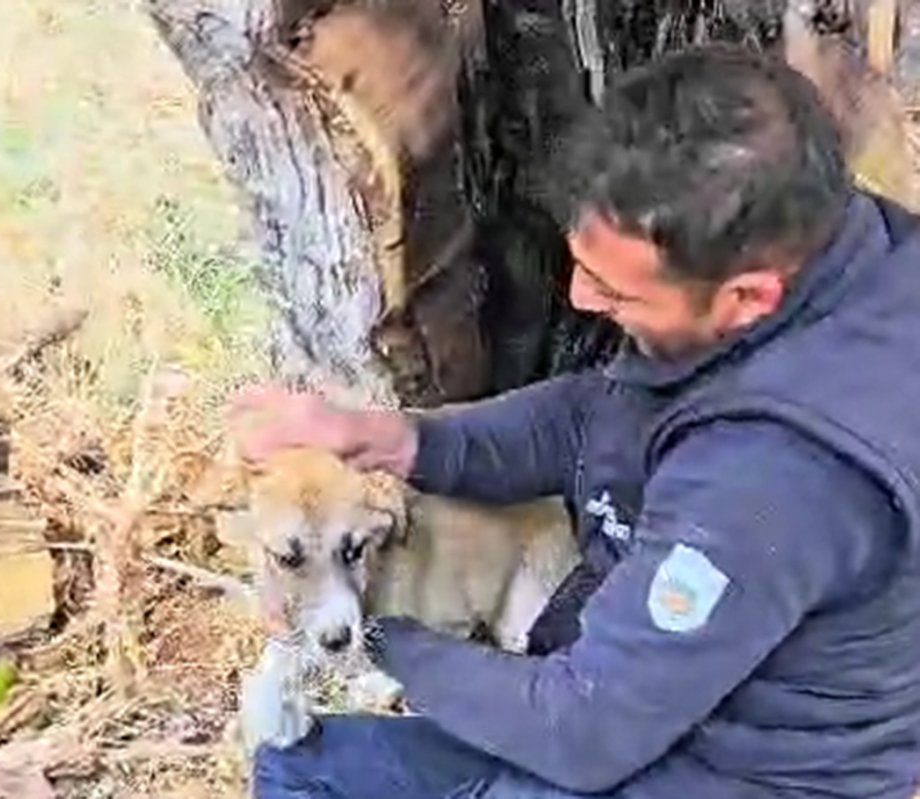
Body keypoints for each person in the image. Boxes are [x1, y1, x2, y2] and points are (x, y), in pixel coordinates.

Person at [226, 43, 920, 799]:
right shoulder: (832, 248)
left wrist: (365, 627)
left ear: (747, 296)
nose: (583, 301)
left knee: (319, 783)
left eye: (616, 292)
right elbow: (605, 411)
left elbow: (584, 729)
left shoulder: (776, 476)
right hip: (663, 701)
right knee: (304, 764)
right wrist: (401, 438)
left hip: (732, 771)